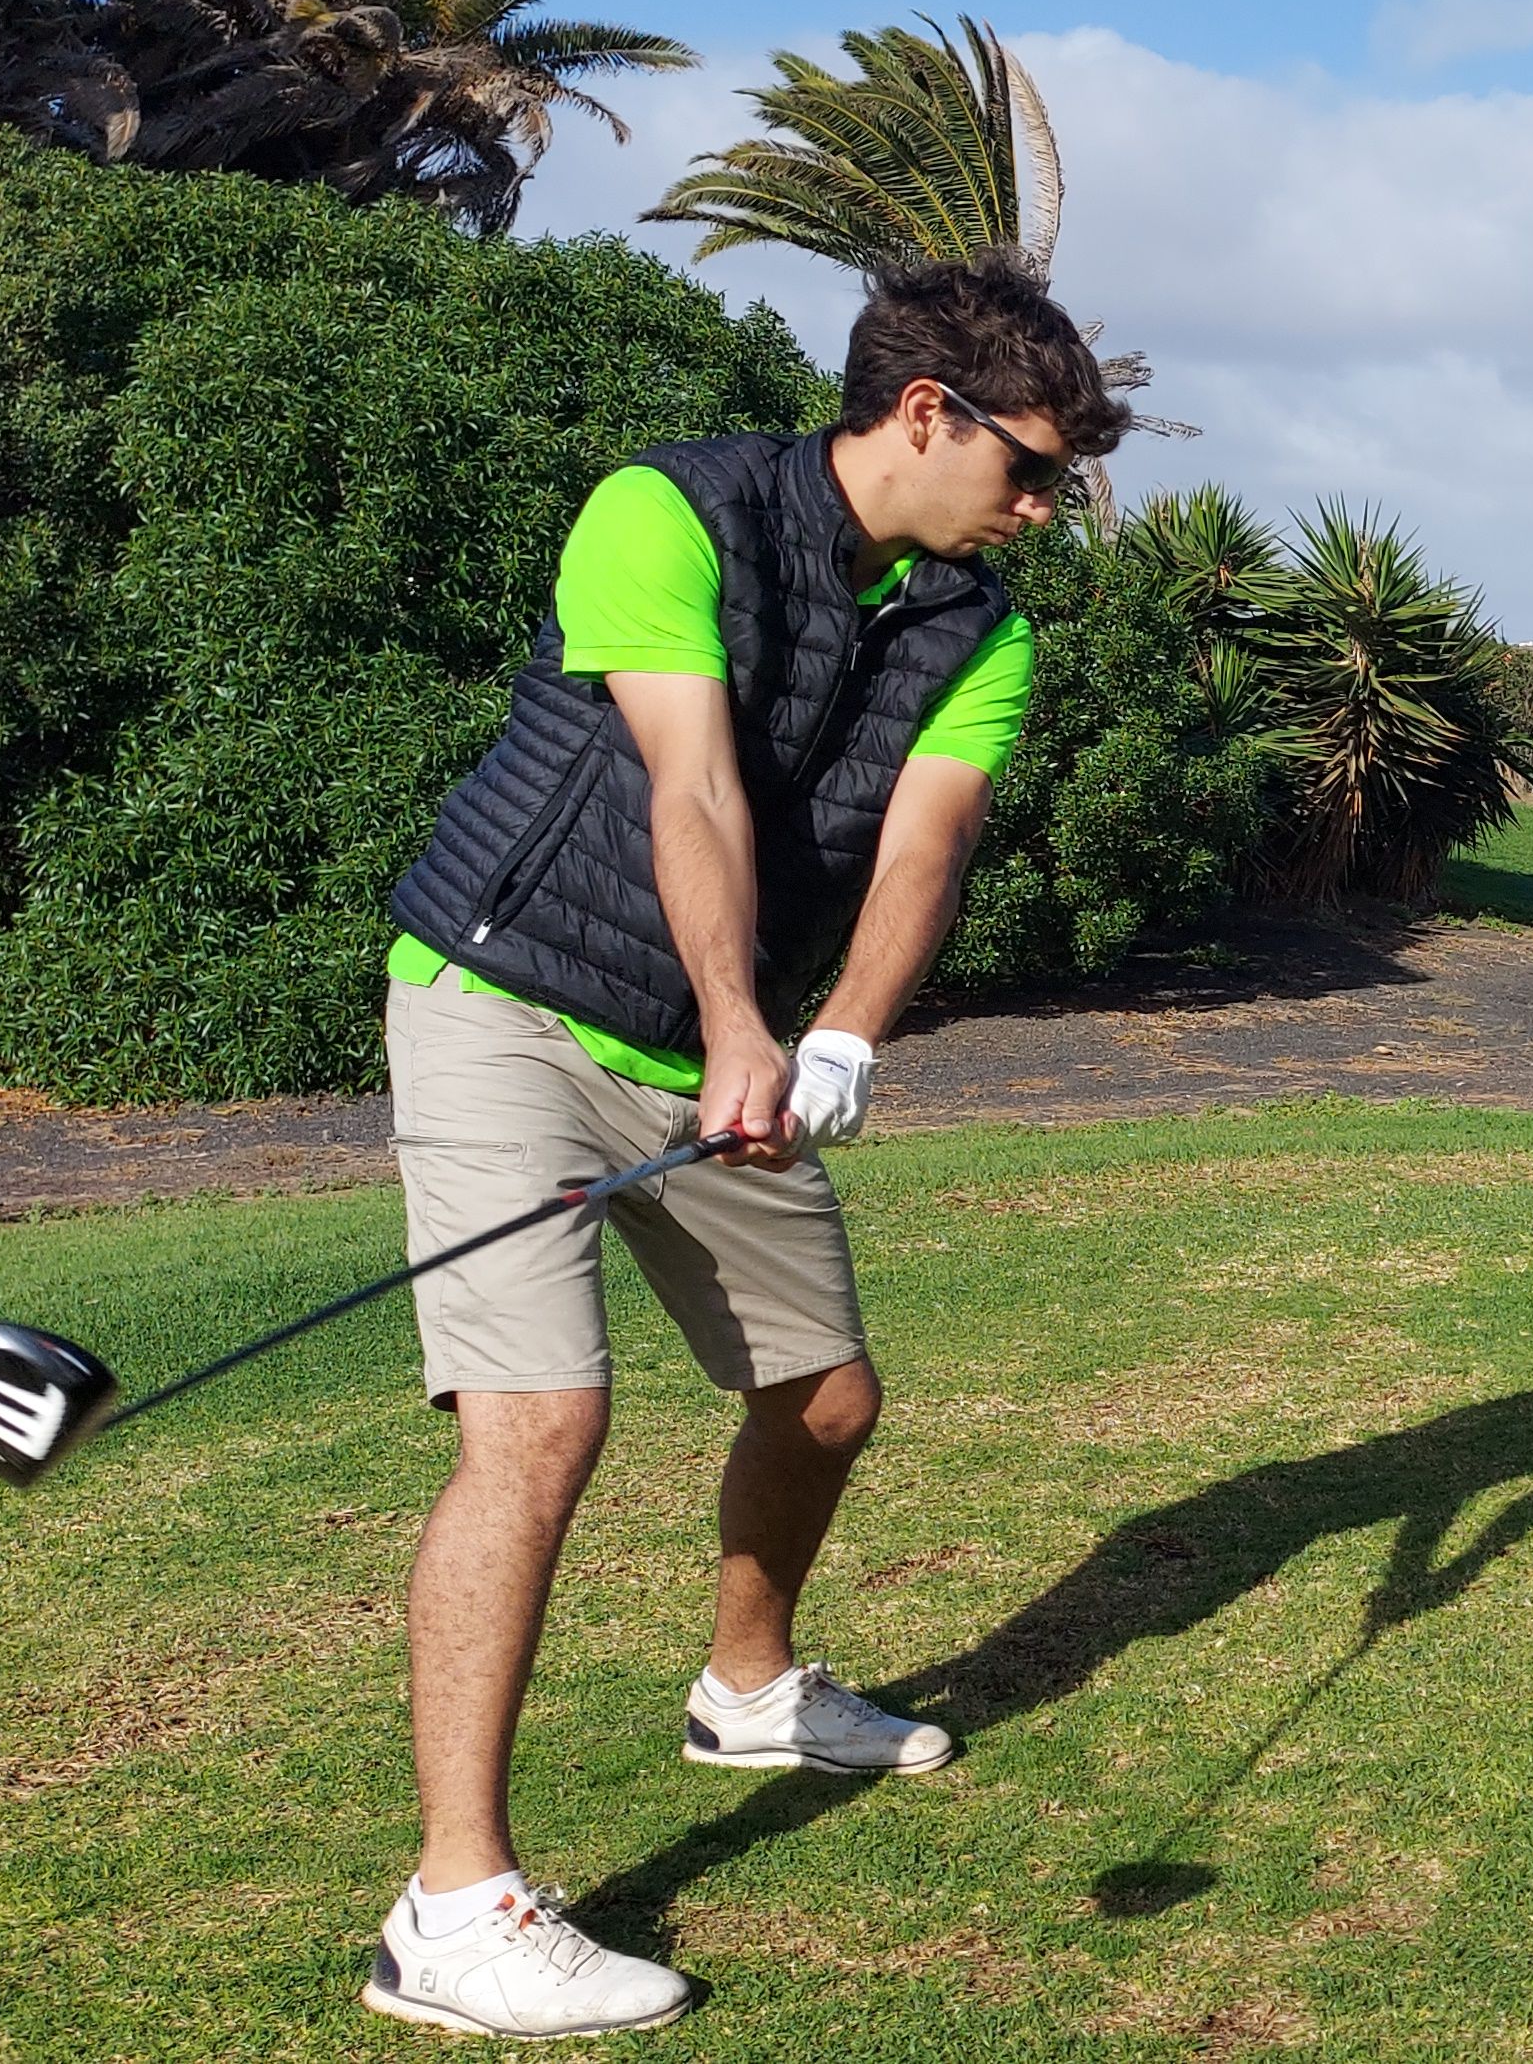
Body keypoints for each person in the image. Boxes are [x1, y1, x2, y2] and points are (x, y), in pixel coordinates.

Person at [354, 255, 1129, 2040]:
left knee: (827, 1393)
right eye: (1027, 468)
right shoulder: (666, 508)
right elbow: (688, 788)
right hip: (509, 996)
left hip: (732, 1045)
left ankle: (751, 1687)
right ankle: (452, 1910)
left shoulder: (979, 629)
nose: (1039, 509)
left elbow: (921, 846)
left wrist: (846, 1032)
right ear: (922, 413)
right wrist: (740, 1030)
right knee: (541, 1422)